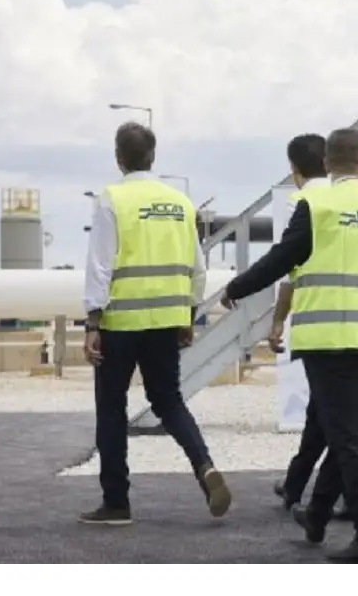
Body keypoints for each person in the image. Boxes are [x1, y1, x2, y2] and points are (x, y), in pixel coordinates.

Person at [221, 128, 358, 564]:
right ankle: (316, 514)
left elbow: (282, 258)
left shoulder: (318, 204)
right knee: (341, 429)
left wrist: (236, 287)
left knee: (348, 437)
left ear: (328, 164)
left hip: (329, 339)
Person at [79, 121, 231, 526]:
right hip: (167, 320)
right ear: (153, 156)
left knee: (112, 407)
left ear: (118, 158)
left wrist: (92, 322)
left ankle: (116, 503)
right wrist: (188, 316)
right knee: (168, 401)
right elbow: (198, 268)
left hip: (120, 322)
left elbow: (100, 265)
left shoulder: (112, 199)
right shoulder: (180, 203)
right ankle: (204, 465)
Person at [268, 133, 350, 519]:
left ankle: (344, 495)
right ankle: (296, 483)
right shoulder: (348, 198)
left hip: (319, 324)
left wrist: (277, 320)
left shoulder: (303, 202)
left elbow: (289, 268)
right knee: (323, 412)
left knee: (335, 419)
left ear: (294, 169)